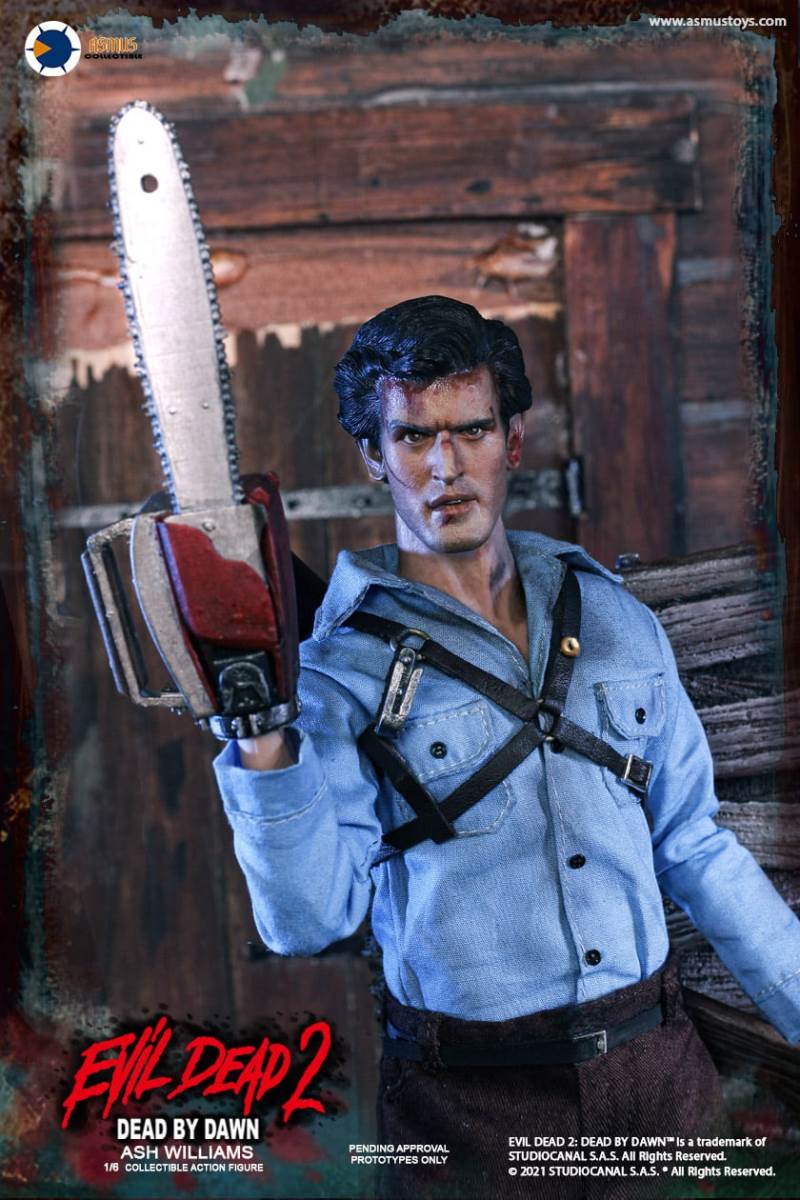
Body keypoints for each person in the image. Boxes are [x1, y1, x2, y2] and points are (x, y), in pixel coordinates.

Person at [213, 296, 800, 1199]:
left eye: (472, 430)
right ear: (373, 455)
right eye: (413, 436)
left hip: (660, 1077)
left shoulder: (613, 616)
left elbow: (693, 844)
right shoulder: (334, 676)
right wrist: (259, 738)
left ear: (512, 441)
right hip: (471, 1109)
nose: (444, 466)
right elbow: (310, 920)